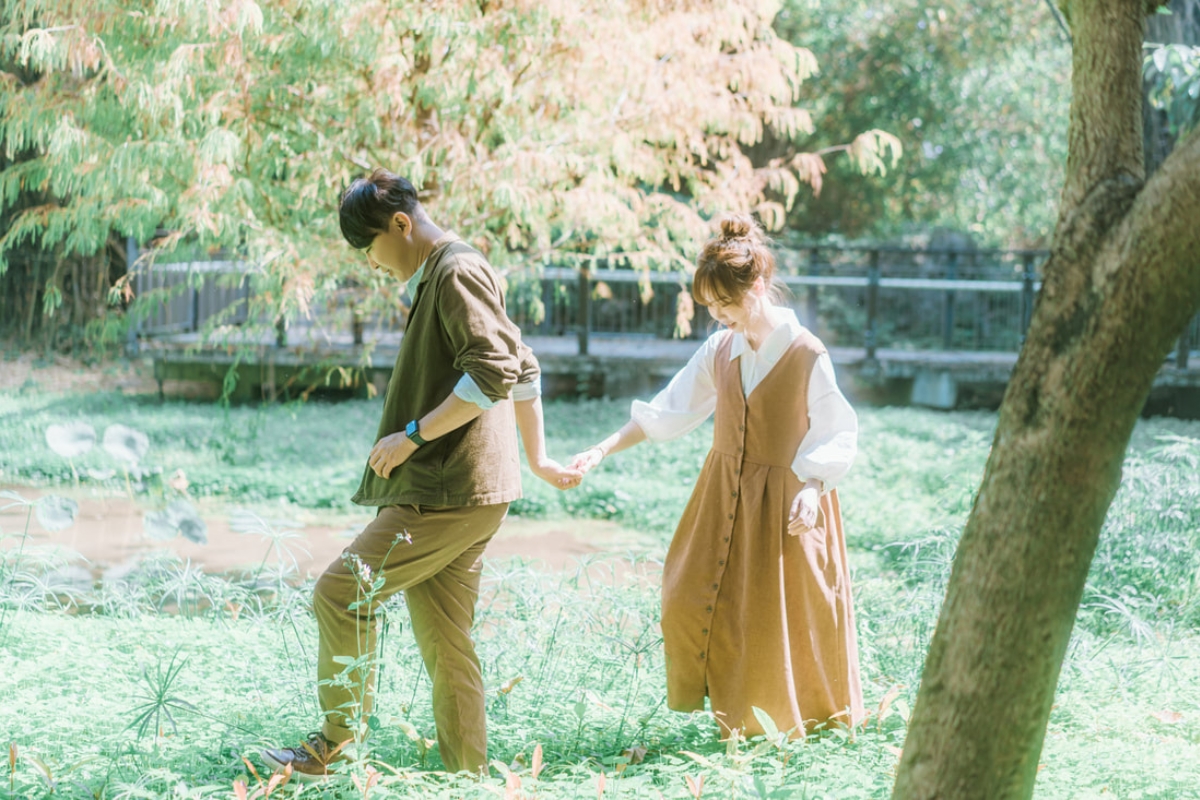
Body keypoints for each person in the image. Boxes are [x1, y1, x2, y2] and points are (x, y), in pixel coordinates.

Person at [262, 169, 579, 780]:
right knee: (445, 638)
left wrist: (411, 437)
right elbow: (523, 364)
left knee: (340, 591)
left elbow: (492, 372)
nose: (373, 263)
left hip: (447, 491)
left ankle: (334, 743)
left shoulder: (456, 270)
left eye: (371, 248)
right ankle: (469, 778)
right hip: (468, 492)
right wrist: (536, 460)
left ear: (401, 224)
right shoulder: (444, 273)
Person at [569, 214, 864, 739]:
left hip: (788, 501)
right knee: (686, 596)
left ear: (757, 286)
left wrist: (814, 488)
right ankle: (734, 713)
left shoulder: (805, 351)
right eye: (709, 307)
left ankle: (787, 729)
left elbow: (835, 430)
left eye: (724, 304)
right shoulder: (721, 349)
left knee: (777, 620)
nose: (718, 316)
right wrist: (602, 448)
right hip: (724, 493)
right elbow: (670, 410)